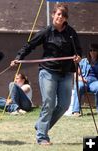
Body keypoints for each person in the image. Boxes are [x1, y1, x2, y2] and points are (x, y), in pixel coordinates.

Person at [10, 3, 82, 145]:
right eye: (58, 14)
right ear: (53, 15)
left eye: (63, 15)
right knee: (49, 103)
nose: (60, 17)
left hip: (66, 73)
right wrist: (19, 58)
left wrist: (78, 56)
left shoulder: (71, 33)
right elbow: (30, 45)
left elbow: (78, 50)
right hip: (48, 72)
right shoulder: (46, 32)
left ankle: (41, 126)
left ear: (65, 18)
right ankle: (42, 136)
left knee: (64, 105)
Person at [72, 43, 98, 116]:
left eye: (94, 50)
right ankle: (76, 111)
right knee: (79, 86)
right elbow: (76, 73)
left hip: (95, 82)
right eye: (91, 50)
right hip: (84, 81)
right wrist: (80, 78)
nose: (92, 52)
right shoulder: (83, 61)